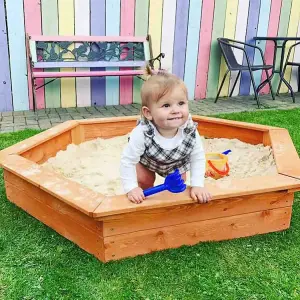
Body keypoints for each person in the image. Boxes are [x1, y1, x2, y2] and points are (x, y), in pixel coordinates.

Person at [120, 66, 212, 204]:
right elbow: (128, 160)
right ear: (148, 113)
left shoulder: (189, 129)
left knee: (178, 185)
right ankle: (146, 203)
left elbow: (197, 157)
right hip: (148, 161)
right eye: (166, 105)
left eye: (181, 103)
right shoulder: (142, 132)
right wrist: (131, 188)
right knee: (144, 181)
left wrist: (197, 185)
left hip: (177, 163)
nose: (175, 110)